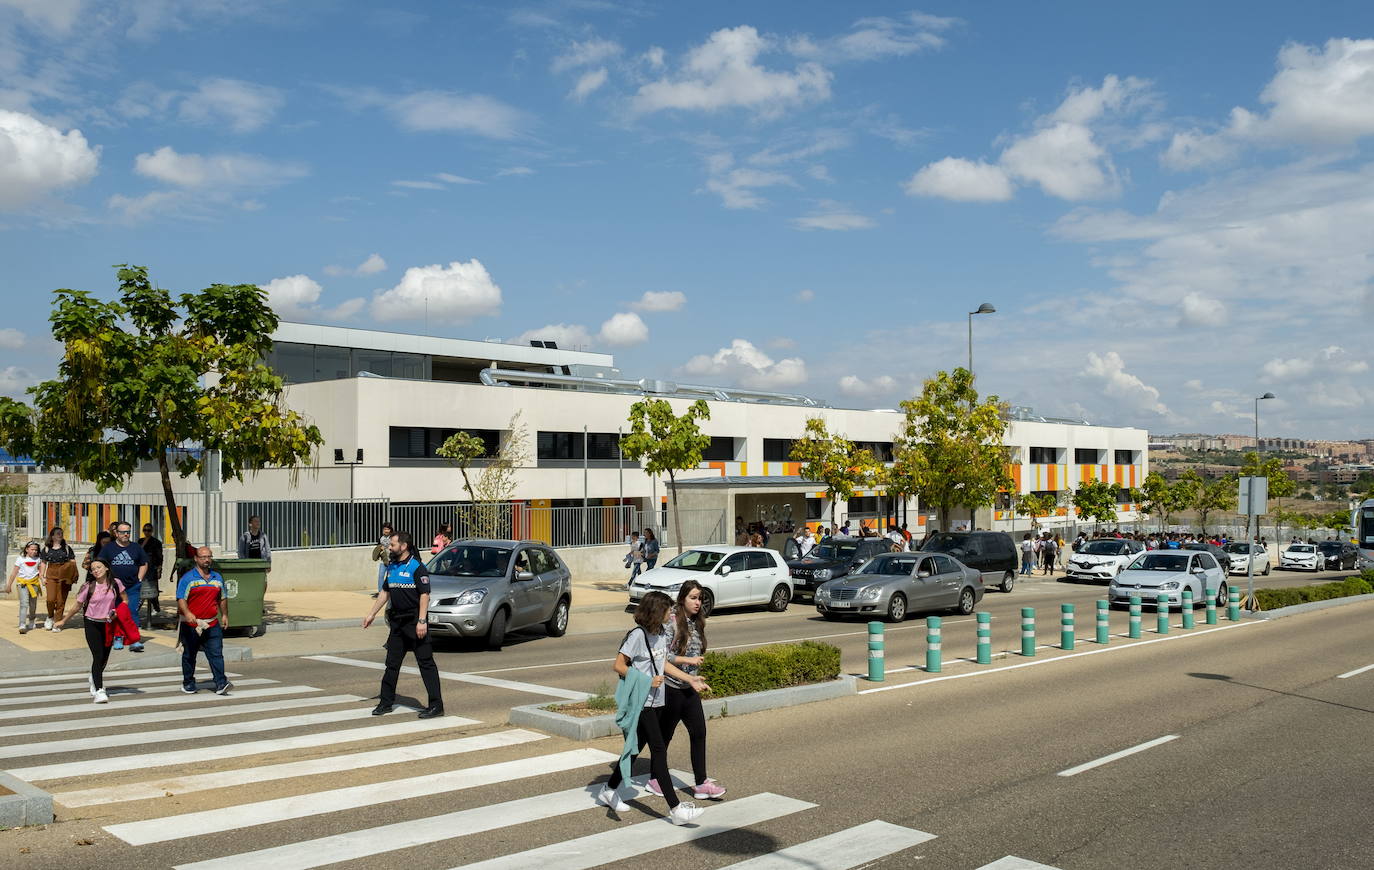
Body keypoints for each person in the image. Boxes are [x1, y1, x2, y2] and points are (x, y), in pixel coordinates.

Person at [597, 590, 707, 826]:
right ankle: (676, 809)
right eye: (668, 610)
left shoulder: (659, 636)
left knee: (636, 749)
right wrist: (647, 681)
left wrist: (690, 679)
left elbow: (664, 664)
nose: (671, 614)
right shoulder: (638, 635)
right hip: (643, 702)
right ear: (658, 611)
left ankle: (609, 788)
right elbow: (618, 666)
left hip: (658, 701)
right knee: (659, 750)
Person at [654, 580, 725, 802]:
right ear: (682, 599)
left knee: (699, 732)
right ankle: (656, 777)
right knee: (665, 736)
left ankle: (701, 783)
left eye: (700, 598)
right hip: (671, 686)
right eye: (693, 598)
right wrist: (688, 660)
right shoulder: (672, 622)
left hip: (689, 686)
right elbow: (662, 655)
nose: (697, 602)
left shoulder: (697, 622)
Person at [363, 531, 443, 719]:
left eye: (392, 545)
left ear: (404, 546)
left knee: (426, 663)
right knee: (391, 664)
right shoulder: (392, 567)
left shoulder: (417, 567)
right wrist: (371, 614)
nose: (389, 547)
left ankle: (436, 705)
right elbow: (385, 592)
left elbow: (425, 594)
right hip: (397, 623)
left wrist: (422, 621)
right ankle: (386, 702)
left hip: (415, 621)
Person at [54, 557, 125, 704]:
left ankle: (94, 677)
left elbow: (125, 600)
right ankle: (99, 690)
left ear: (106, 568)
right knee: (98, 656)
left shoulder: (116, 584)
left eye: (98, 567)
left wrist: (118, 611)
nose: (96, 571)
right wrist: (63, 620)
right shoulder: (88, 586)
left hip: (109, 624)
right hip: (92, 623)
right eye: (93, 569)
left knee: (104, 658)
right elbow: (77, 606)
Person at [177, 546, 233, 695]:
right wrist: (187, 613)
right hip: (192, 625)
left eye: (209, 556)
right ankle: (188, 683)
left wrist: (225, 615)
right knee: (189, 655)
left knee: (216, 654)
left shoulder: (217, 578)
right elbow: (181, 598)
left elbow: (222, 598)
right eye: (203, 557)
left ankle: (221, 683)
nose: (206, 560)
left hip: (212, 623)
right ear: (196, 559)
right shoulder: (188, 578)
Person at [99, 522, 147, 652]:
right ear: (116, 533)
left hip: (132, 587)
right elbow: (100, 563)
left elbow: (144, 563)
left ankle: (134, 640)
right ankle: (118, 637)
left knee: (131, 612)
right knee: (115, 612)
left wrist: (140, 578)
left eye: (128, 532)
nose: (126, 534)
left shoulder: (136, 547)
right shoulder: (109, 548)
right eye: (123, 532)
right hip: (113, 588)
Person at [40, 526, 78, 632]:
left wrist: (69, 569)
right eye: (57, 533)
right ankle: (50, 616)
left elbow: (73, 561)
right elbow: (43, 563)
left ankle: (57, 622)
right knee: (50, 599)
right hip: (51, 574)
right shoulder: (47, 548)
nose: (60, 535)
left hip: (64, 575)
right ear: (52, 536)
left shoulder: (66, 548)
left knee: (61, 600)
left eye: (61, 533)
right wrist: (42, 577)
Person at [6, 540, 43, 633]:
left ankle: (31, 620)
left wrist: (43, 580)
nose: (34, 551)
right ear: (27, 549)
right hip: (22, 584)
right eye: (32, 549)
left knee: (33, 604)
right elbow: (14, 572)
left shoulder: (38, 559)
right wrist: (9, 585)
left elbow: (40, 573)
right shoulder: (20, 559)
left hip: (34, 584)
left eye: (36, 550)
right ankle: (22, 625)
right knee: (24, 604)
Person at [140, 523, 164, 628]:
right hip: (141, 568)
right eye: (145, 530)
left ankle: (156, 607)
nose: (147, 532)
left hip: (152, 569)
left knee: (153, 588)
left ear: (152, 531)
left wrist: (159, 569)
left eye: (149, 530)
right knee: (141, 589)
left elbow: (159, 556)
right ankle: (138, 608)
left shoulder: (156, 542)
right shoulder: (140, 541)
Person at [237, 515, 273, 583]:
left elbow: (268, 551)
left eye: (259, 521)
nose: (258, 523)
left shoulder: (263, 536)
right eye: (255, 521)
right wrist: (244, 564)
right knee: (249, 583)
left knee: (263, 583)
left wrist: (269, 564)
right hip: (249, 565)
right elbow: (240, 552)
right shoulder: (244, 537)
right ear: (250, 524)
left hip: (261, 564)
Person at [373, 521, 394, 596]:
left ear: (390, 530)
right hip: (383, 561)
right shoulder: (380, 538)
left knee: (390, 576)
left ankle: (391, 592)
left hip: (392, 560)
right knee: (381, 576)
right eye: (385, 529)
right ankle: (380, 592)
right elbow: (379, 548)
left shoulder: (393, 537)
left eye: (388, 529)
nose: (386, 531)